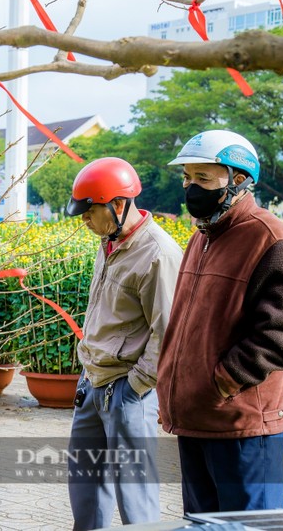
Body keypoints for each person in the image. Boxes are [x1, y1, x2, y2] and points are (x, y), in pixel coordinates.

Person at [157, 130, 283, 513]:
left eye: (203, 179)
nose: (191, 188)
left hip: (242, 424)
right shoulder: (201, 238)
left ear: (238, 180)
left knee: (251, 524)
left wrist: (225, 380)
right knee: (204, 524)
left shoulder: (268, 237)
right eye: (187, 178)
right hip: (197, 419)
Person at [65, 157, 183, 530]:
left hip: (126, 390)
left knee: (134, 494)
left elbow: (167, 332)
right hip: (93, 382)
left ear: (118, 205)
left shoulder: (158, 254)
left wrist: (134, 388)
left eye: (89, 211)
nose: (83, 219)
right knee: (85, 485)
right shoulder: (110, 241)